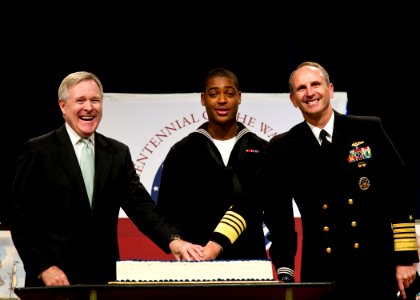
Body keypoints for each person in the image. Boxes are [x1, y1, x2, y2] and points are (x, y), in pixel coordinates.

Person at [205, 61, 419, 299]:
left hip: (374, 266)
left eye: (315, 84)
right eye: (301, 88)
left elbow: (400, 192)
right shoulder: (284, 146)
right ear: (293, 99)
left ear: (330, 89)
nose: (310, 93)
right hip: (322, 270)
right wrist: (214, 245)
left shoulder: (367, 129)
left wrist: (406, 259)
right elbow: (251, 199)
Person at [10, 71, 204, 287]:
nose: (89, 107)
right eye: (80, 100)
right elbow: (21, 220)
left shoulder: (117, 153)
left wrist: (172, 240)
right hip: (53, 282)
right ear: (63, 106)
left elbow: (141, 207)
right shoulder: (38, 151)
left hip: (102, 280)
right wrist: (44, 267)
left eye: (95, 100)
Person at [155, 68, 268, 260]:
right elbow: (166, 214)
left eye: (229, 93)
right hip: (197, 263)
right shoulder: (181, 152)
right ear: (203, 99)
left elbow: (274, 211)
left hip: (251, 261)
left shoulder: (262, 150)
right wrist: (182, 245)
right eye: (214, 94)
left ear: (239, 97)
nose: (222, 100)